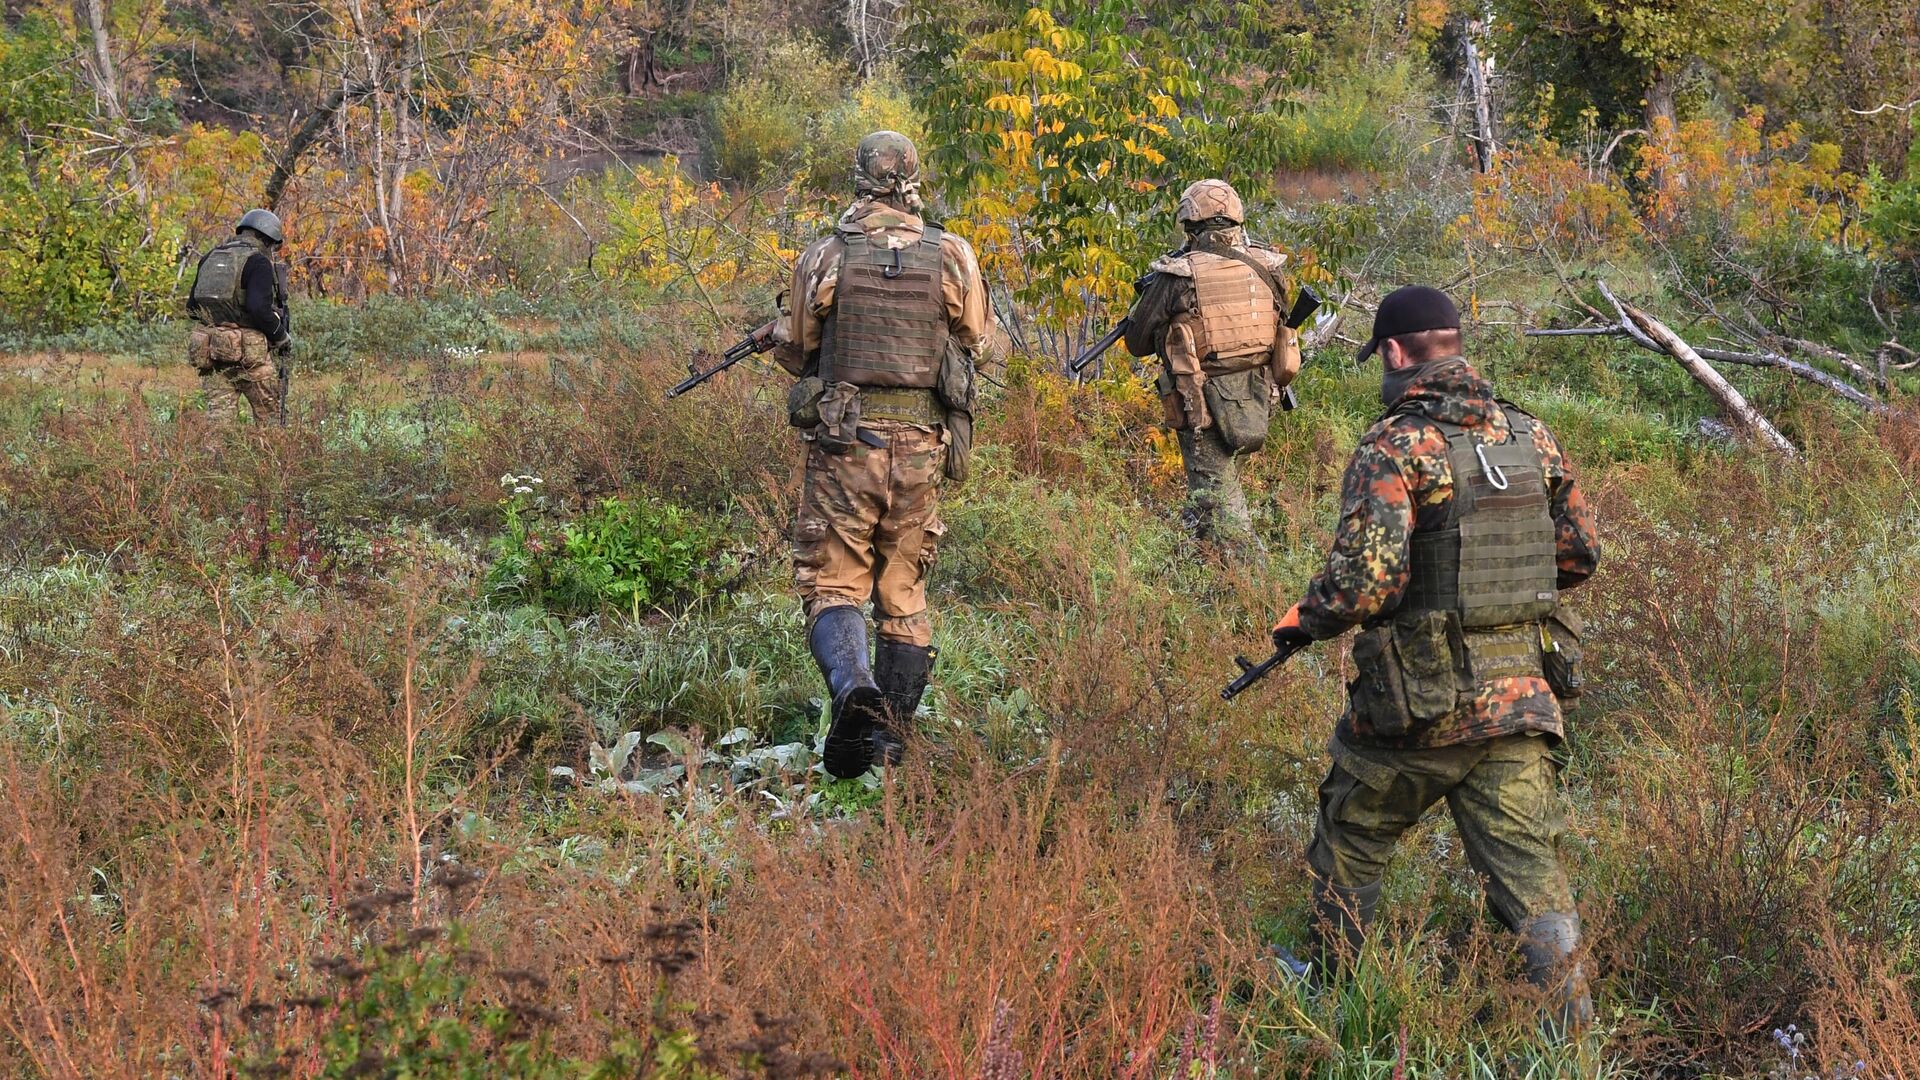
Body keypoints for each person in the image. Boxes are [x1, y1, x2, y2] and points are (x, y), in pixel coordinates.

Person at [1269, 285, 1602, 1034]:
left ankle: (1331, 998)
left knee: (1352, 833)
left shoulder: (1394, 445)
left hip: (1417, 707)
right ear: (1454, 343)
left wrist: (1305, 617)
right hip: (1520, 701)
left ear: (1393, 353)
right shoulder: (1531, 435)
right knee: (1532, 879)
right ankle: (1571, 1038)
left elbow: (1364, 584)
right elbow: (1579, 556)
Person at [770, 131, 990, 780]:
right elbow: (974, 334)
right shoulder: (952, 255)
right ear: (915, 178)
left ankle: (851, 690)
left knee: (832, 581)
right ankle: (890, 744)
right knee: (904, 589)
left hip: (847, 448)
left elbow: (801, 343)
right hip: (921, 450)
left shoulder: (827, 254)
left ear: (858, 179)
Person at [1121, 179, 1301, 547]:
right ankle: (1198, 567)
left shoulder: (1179, 276)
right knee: (1211, 494)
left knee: (1223, 507)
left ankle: (1255, 583)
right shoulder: (1268, 267)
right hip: (1258, 398)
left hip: (1200, 400)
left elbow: (1137, 343)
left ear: (1190, 224)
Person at [186, 209, 292, 422]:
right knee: (270, 419)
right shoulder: (258, 261)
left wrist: (222, 324)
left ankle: (216, 456)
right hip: (251, 359)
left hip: (213, 355)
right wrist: (281, 336)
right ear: (268, 239)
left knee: (218, 423)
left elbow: (192, 308)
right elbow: (259, 309)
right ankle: (272, 456)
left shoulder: (210, 257)